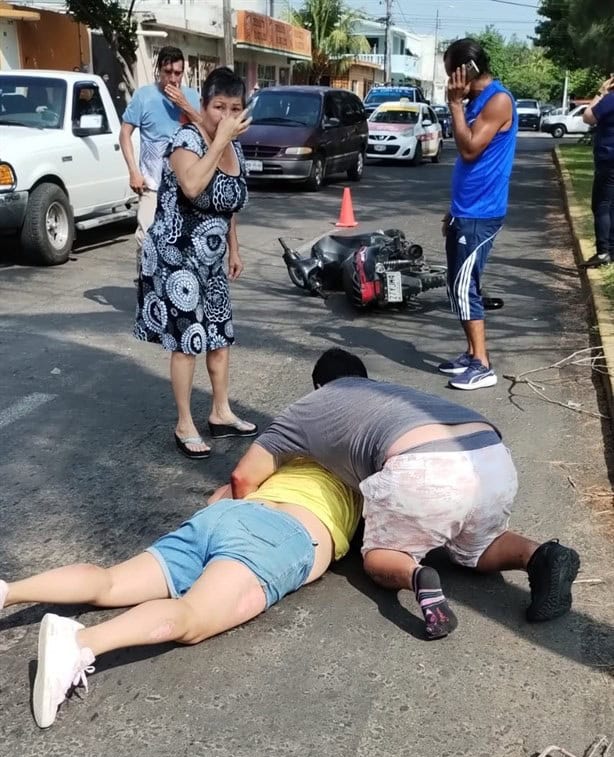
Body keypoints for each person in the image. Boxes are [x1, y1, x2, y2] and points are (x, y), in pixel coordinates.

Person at [230, 348, 580, 640]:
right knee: (480, 545)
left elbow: (243, 476)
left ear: (318, 385)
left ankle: (418, 578)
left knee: (379, 556)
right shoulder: (389, 394)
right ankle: (540, 556)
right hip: (492, 456)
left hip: (424, 466)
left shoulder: (307, 406)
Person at [0, 459, 361, 729]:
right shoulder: (367, 473)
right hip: (284, 534)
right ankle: (79, 643)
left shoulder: (295, 445)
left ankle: (10, 591)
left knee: (111, 581)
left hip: (229, 514)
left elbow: (224, 490)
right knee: (192, 617)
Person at [133, 66, 256, 460]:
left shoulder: (233, 147)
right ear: (203, 105)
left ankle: (220, 412)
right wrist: (218, 141)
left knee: (219, 337)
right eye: (218, 106)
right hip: (176, 257)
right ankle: (184, 423)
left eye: (234, 108)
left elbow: (229, 202)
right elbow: (193, 186)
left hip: (212, 259)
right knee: (188, 342)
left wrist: (234, 249)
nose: (226, 115)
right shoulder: (186, 140)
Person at [439, 39, 518, 391]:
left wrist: (455, 103)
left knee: (464, 286)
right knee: (457, 286)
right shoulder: (477, 102)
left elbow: (470, 149)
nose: (449, 84)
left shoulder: (498, 100)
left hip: (481, 213)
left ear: (465, 71)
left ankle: (483, 364)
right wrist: (453, 210)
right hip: (465, 210)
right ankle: (471, 354)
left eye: (451, 75)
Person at [119, 46, 201, 273]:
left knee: (183, 241)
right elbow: (124, 133)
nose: (173, 78)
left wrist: (185, 105)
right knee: (146, 238)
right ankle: (144, 283)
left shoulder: (192, 97)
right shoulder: (144, 96)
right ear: (159, 71)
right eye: (167, 72)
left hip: (185, 186)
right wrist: (134, 172)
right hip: (152, 184)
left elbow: (206, 131)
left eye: (178, 73)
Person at [579, 74, 614, 268]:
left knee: (601, 205)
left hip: (608, 159)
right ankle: (611, 249)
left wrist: (601, 92)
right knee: (612, 206)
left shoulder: (610, 100)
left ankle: (602, 252)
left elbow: (588, 117)